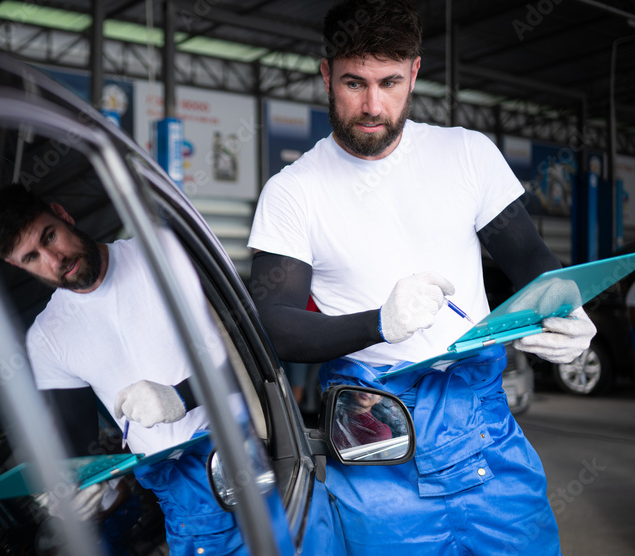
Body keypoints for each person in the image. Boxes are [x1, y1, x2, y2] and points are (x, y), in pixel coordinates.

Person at [247, 1, 596, 554]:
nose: (371, 105)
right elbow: (274, 324)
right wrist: (379, 323)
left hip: (483, 424)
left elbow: (529, 257)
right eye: (353, 83)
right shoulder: (293, 191)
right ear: (325, 74)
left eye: (388, 82)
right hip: (375, 433)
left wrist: (569, 308)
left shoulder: (467, 154)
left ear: (413, 72)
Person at [0, 184, 246, 556]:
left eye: (50, 236)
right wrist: (72, 486)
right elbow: (76, 442)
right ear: (15, 265)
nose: (55, 260)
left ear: (63, 214)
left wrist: (182, 396)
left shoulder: (163, 251)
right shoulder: (47, 339)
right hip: (183, 500)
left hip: (247, 447)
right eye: (32, 257)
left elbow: (252, 351)